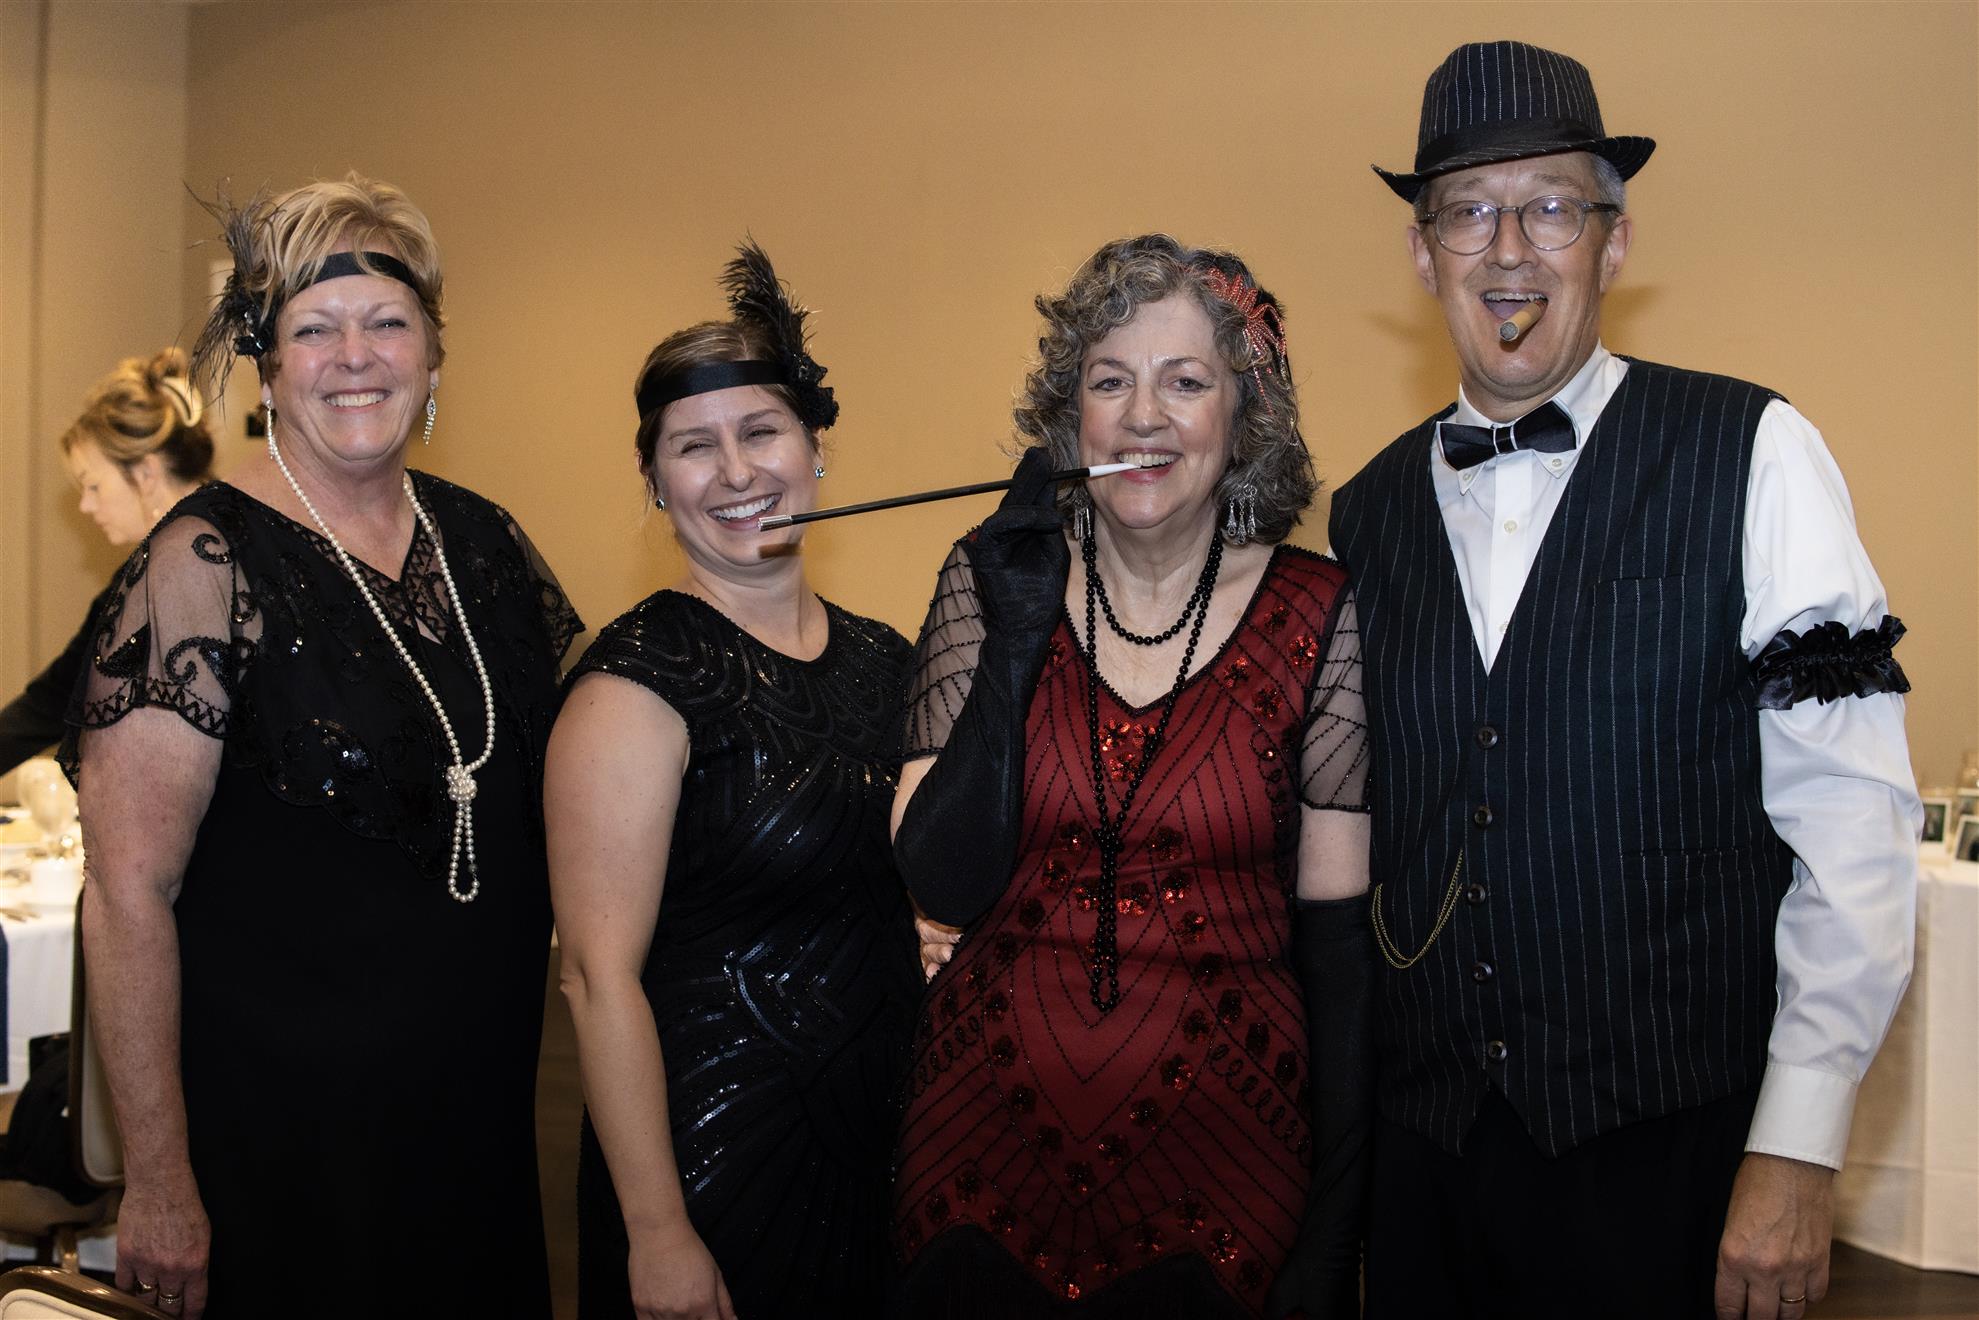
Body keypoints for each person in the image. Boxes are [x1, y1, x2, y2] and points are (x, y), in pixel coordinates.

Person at [1328, 41, 1922, 1320]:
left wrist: (1796, 1147)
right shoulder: (1363, 511)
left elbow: (1852, 831)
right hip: (1427, 1159)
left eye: (1550, 207)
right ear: (1420, 254)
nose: (1507, 251)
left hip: (1672, 1152)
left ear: (1613, 243)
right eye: (1467, 212)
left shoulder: (1753, 449)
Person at [62, 175, 581, 1318]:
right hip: (281, 1150)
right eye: (314, 328)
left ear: (433, 355)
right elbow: (128, 894)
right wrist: (158, 1183)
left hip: (477, 1125)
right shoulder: (200, 568)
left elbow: (594, 769)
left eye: (386, 322)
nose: (355, 356)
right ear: (267, 364)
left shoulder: (486, 545)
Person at [890, 235, 1372, 1319]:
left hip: (1228, 1175)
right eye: (1109, 382)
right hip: (973, 1157)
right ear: (1072, 418)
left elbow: (1338, 962)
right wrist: (1017, 637)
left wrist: (1333, 1242)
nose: (1143, 416)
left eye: (1185, 382)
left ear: (1242, 417)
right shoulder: (988, 578)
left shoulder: (1319, 612)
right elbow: (940, 878)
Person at [549, 243, 920, 1320]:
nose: (736, 472)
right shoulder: (632, 685)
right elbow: (595, 980)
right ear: (654, 483)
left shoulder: (888, 659)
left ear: (815, 449)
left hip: (880, 1144)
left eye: (760, 432)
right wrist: (658, 1231)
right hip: (714, 1165)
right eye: (692, 447)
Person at [0, 349, 212, 774]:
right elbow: (53, 699)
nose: (85, 505)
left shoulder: (179, 571)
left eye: (93, 486)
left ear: (146, 473)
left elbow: (47, 706)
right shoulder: (155, 567)